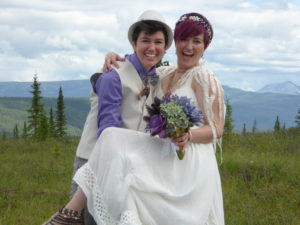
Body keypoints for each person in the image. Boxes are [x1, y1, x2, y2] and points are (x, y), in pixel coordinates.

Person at [44, 12, 225, 225]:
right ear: (174, 43)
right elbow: (119, 77)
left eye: (197, 41)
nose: (189, 47)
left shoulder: (203, 77)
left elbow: (217, 128)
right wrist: (111, 61)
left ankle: (67, 214)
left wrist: (188, 134)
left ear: (206, 46)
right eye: (184, 39)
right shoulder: (164, 73)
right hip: (119, 157)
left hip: (183, 161)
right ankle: (69, 215)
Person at [43, 10, 173, 225]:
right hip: (94, 161)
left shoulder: (159, 77)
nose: (152, 48)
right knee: (85, 220)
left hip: (130, 165)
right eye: (145, 41)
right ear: (133, 42)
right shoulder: (113, 74)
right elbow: (108, 131)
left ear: (166, 47)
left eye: (158, 42)